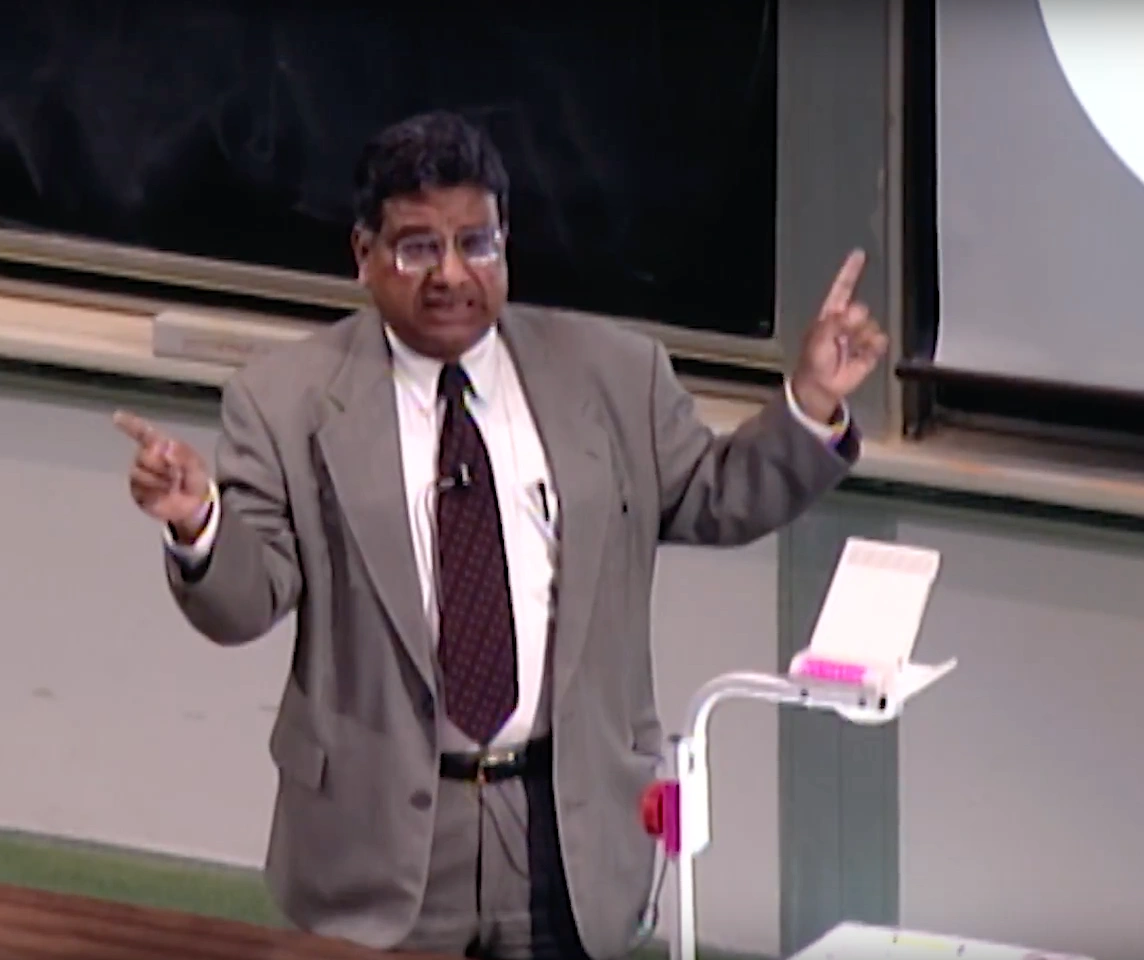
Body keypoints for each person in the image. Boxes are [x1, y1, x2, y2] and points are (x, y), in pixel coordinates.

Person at [115, 110, 887, 960]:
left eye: (475, 243)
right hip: (380, 841)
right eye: (416, 248)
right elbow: (245, 597)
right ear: (363, 255)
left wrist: (811, 402)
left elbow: (717, 495)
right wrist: (198, 521)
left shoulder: (613, 374)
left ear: (505, 245)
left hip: (566, 822)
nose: (450, 274)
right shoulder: (287, 400)